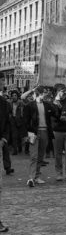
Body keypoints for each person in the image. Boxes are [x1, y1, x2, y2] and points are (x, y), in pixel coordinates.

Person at [24, 86, 56, 187]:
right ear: (39, 93)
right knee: (34, 156)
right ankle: (31, 178)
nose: (46, 94)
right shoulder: (30, 105)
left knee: (40, 156)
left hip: (45, 132)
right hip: (34, 133)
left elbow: (56, 113)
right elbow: (25, 121)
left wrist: (54, 103)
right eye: (45, 92)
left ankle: (37, 176)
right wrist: (28, 132)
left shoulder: (47, 105)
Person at [0, 73, 9, 232]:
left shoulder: (3, 102)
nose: (3, 82)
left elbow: (7, 122)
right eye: (1, 80)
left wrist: (3, 139)